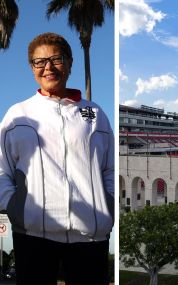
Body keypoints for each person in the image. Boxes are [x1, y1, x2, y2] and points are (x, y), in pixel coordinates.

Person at [0, 32, 114, 285]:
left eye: (56, 59)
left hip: (90, 237)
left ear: (70, 62)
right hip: (32, 234)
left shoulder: (94, 113)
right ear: (32, 67)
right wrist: (14, 207)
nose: (48, 67)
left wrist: (108, 205)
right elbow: (2, 170)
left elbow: (109, 169)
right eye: (39, 62)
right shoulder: (17, 115)